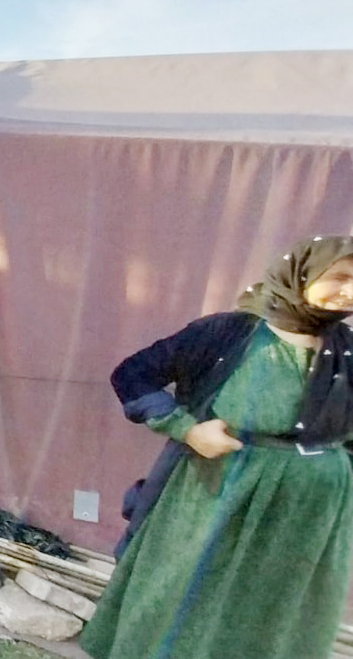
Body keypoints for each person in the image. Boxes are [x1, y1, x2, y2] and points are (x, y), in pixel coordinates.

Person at [79, 236, 353, 659]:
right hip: (218, 497)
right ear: (301, 274)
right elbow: (133, 376)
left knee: (273, 615)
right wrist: (187, 430)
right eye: (339, 277)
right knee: (185, 601)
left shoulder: (346, 350)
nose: (349, 291)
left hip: (307, 521)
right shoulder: (230, 333)